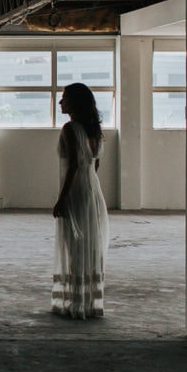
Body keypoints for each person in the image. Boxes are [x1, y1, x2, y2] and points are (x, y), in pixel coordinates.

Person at [51, 82, 108, 319]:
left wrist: (61, 199)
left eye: (64, 98)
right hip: (92, 189)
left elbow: (73, 164)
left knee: (74, 245)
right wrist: (89, 183)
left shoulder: (70, 128)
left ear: (75, 102)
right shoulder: (94, 130)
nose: (60, 102)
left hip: (76, 190)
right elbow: (94, 163)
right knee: (90, 244)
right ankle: (89, 303)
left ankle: (74, 302)